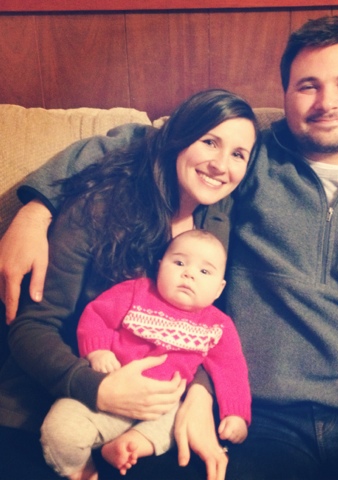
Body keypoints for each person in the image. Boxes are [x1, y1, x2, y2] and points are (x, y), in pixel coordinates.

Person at [2, 14, 338, 480]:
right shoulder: (253, 161)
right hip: (262, 420)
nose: (327, 101)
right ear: (285, 95)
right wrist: (36, 206)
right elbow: (142, 145)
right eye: (308, 85)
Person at [0, 88, 257, 480]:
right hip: (50, 398)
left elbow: (213, 332)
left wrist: (202, 395)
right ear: (179, 138)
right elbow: (31, 326)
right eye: (209, 142)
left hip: (152, 416)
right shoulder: (100, 208)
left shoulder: (219, 220)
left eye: (238, 154)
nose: (221, 165)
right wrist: (96, 388)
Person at [41, 229, 250, 480]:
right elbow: (97, 316)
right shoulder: (136, 292)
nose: (189, 274)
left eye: (204, 271)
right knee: (60, 430)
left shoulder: (219, 326)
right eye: (179, 263)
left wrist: (236, 413)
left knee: (180, 424)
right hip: (110, 392)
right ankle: (82, 470)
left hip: (165, 406)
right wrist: (97, 351)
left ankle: (129, 445)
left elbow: (231, 370)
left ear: (219, 289)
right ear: (160, 267)